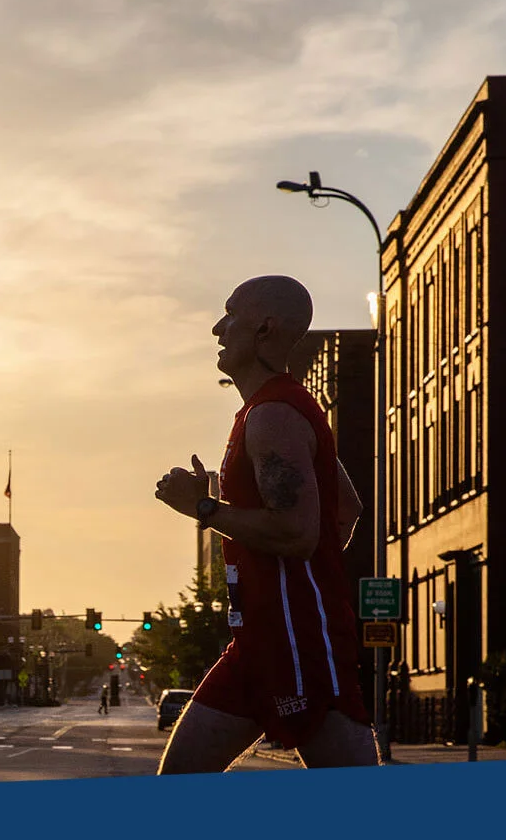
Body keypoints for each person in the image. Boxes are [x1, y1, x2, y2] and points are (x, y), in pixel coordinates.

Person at [151, 275, 377, 773]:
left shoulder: (274, 415)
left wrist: (204, 509)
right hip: (256, 641)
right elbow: (345, 510)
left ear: (265, 329)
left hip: (298, 642)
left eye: (230, 314)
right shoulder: (273, 409)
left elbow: (297, 532)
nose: (218, 328)